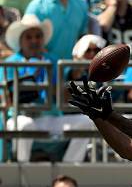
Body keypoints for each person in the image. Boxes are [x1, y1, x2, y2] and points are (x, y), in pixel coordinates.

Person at [1, 15, 96, 163]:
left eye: (38, 36)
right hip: (19, 117)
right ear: (21, 40)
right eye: (29, 37)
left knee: (87, 122)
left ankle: (69, 168)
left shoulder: (52, 61)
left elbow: (63, 99)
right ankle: (22, 168)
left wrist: (50, 78)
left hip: (49, 117)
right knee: (25, 125)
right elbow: (4, 100)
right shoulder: (9, 63)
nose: (34, 41)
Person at [24, 0, 88, 62]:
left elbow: (82, 38)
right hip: (43, 69)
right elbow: (27, 43)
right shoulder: (36, 6)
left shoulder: (81, 5)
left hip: (72, 68)